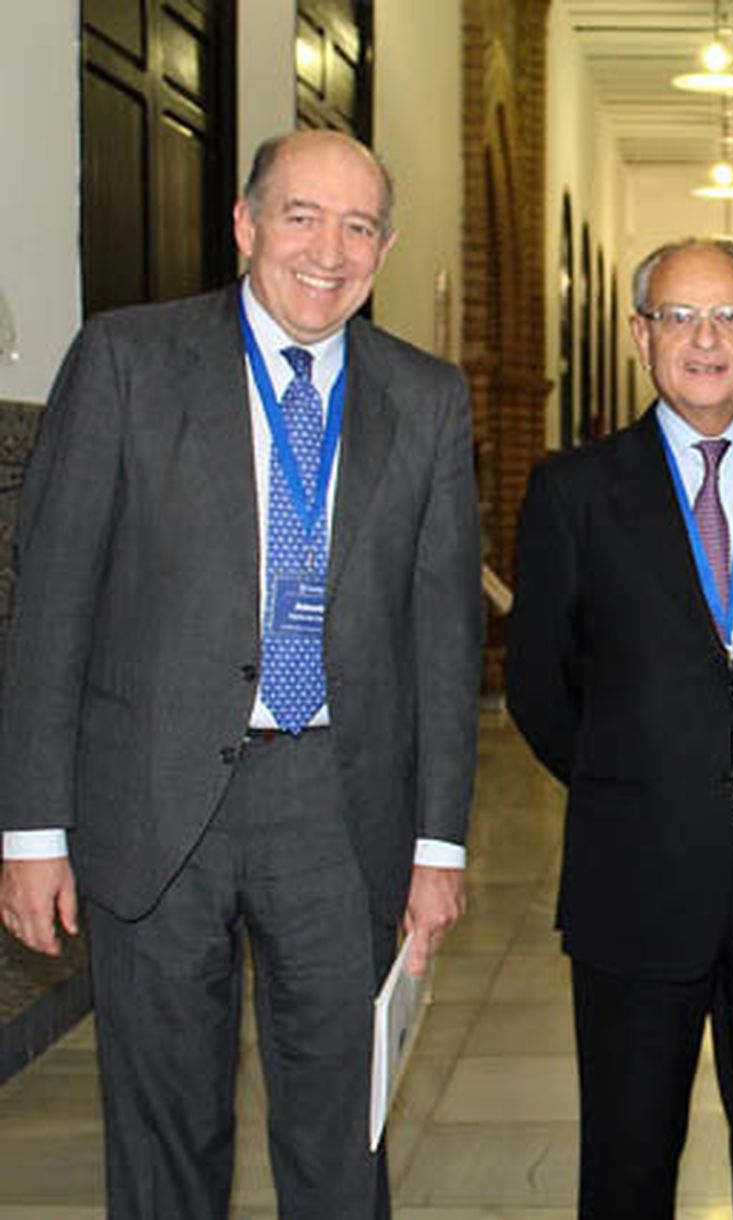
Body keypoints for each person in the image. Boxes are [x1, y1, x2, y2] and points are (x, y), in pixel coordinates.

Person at [0, 129, 483, 1218]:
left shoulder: (427, 399)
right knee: (167, 1129)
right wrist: (32, 829)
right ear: (245, 223)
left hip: (338, 809)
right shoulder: (127, 360)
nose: (329, 248)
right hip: (153, 800)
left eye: (359, 226)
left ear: (385, 246)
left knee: (337, 1140)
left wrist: (438, 843)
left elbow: (444, 639)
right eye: (302, 215)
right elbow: (53, 605)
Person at [505, 237, 733, 1220]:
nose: (704, 339)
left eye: (727, 316)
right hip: (636, 874)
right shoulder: (572, 491)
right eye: (678, 316)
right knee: (627, 1162)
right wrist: (642, 777)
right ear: (640, 335)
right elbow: (540, 686)